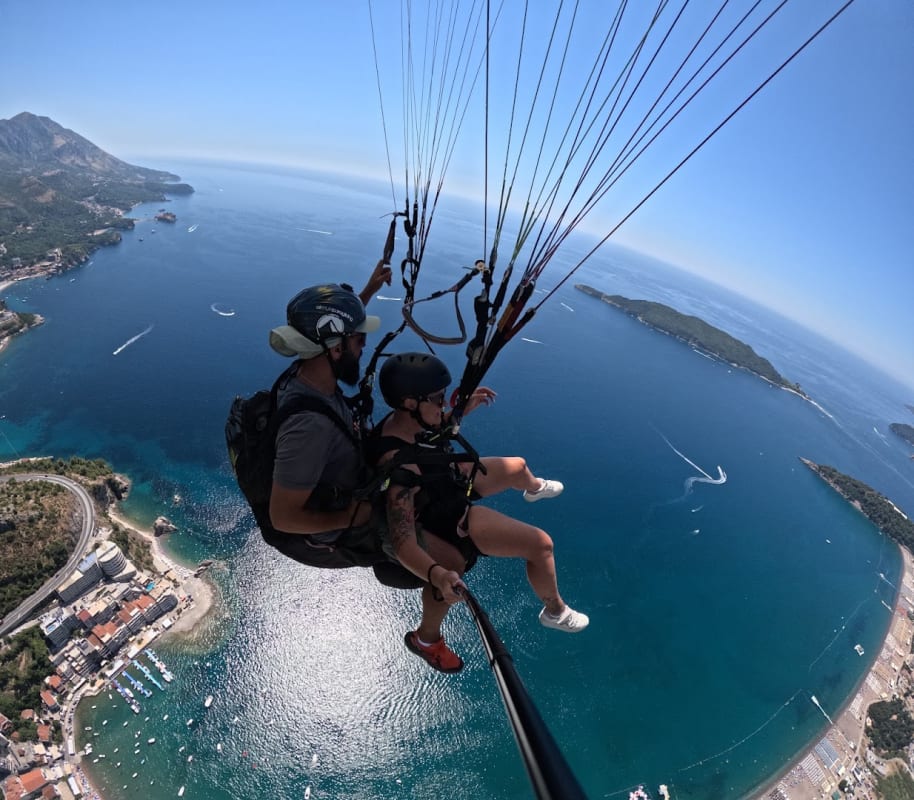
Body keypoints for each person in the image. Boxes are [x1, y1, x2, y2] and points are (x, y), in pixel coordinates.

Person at [369, 351, 589, 674]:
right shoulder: (397, 464)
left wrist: (460, 413)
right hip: (438, 514)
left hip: (443, 486)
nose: (444, 404)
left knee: (518, 467)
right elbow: (404, 543)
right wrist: (437, 575)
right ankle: (551, 612)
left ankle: (532, 487)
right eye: (437, 399)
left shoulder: (406, 424)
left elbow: (428, 436)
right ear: (410, 403)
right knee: (540, 545)